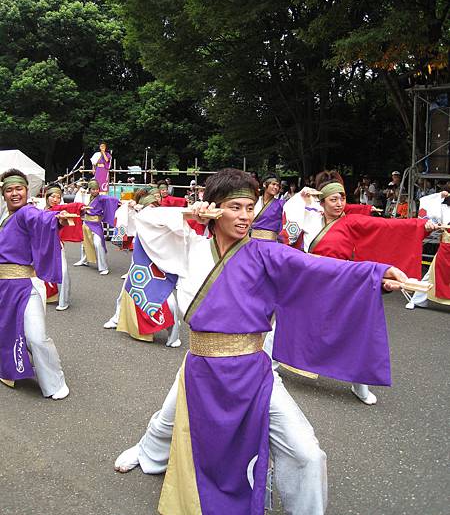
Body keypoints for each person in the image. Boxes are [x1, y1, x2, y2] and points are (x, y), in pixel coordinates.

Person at [113, 168, 406, 515]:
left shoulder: (265, 253)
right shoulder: (189, 248)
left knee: (306, 452)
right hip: (201, 365)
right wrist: (189, 212)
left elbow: (317, 268)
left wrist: (374, 273)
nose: (244, 216)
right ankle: (148, 454)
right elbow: (145, 221)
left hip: (253, 368)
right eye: (235, 207)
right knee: (167, 418)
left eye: (249, 207)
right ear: (214, 209)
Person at [280, 169, 439, 405]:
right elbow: (289, 237)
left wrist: (420, 226)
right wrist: (299, 200)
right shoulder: (310, 218)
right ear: (321, 202)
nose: (339, 203)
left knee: (353, 329)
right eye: (333, 199)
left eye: (342, 198)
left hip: (343, 281)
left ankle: (359, 382)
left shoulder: (350, 221)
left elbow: (385, 227)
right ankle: (270, 362)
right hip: (312, 280)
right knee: (290, 316)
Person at [0, 169, 69, 399]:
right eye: (9, 190)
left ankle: (55, 382)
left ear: (27, 191)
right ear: (3, 194)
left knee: (36, 338)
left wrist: (54, 217)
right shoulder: (4, 216)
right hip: (3, 289)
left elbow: (39, 217)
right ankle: (10, 367)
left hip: (24, 286)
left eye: (18, 188)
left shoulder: (26, 212)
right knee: (9, 332)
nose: (14, 193)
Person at [104, 190, 182, 348]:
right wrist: (129, 207)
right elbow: (123, 222)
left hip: (161, 268)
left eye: (156, 204)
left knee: (170, 303)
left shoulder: (164, 222)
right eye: (150, 205)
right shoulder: (140, 218)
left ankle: (174, 336)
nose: (152, 209)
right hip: (140, 266)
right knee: (124, 295)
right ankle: (117, 318)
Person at [406, 189, 450, 309]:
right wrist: (440, 196)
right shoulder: (445, 208)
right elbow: (427, 203)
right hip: (446, 247)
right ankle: (417, 300)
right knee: (432, 274)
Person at [44, 185, 84, 311]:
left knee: (63, 271)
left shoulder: (58, 210)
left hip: (56, 244)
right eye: (53, 196)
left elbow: (66, 207)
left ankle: (64, 301)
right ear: (47, 197)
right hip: (42, 245)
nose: (55, 199)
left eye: (58, 197)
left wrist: (80, 206)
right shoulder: (41, 209)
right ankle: (46, 295)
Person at [73, 179, 120, 275]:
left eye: (96, 189)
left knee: (98, 244)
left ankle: (103, 267)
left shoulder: (101, 198)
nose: (95, 191)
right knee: (84, 243)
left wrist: (119, 202)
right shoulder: (86, 197)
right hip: (86, 223)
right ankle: (84, 260)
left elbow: (111, 199)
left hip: (95, 224)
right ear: (89, 190)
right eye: (93, 189)